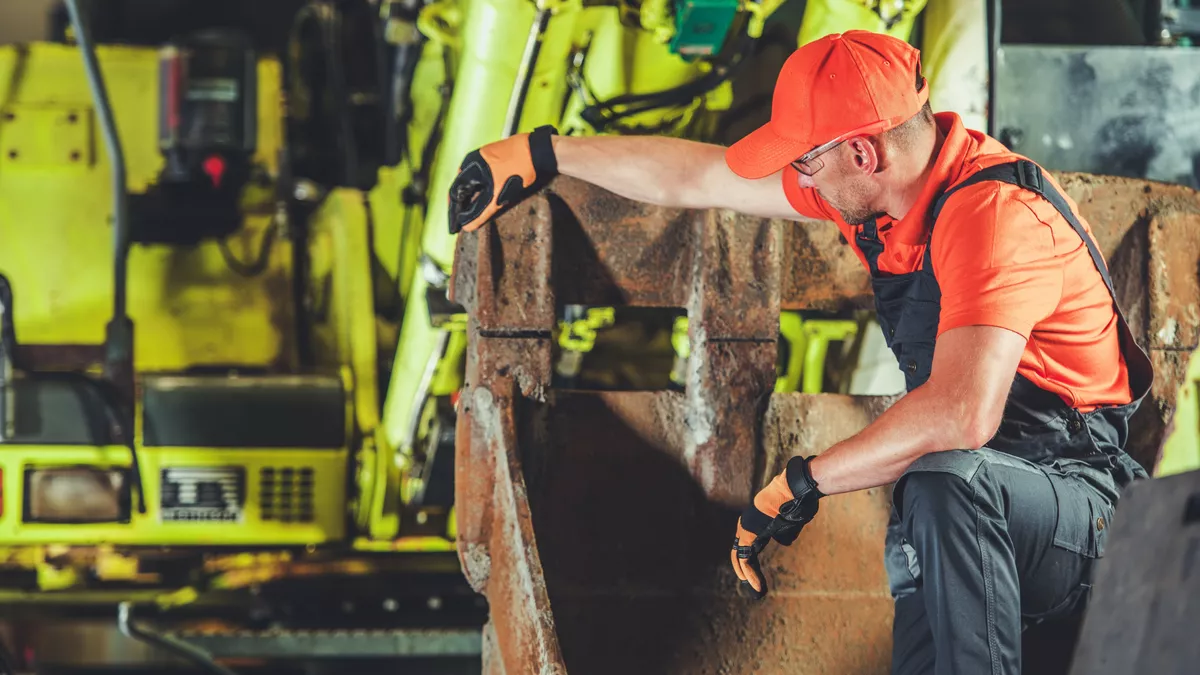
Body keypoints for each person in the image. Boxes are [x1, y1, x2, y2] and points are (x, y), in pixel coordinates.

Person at [446, 30, 1153, 675]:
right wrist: (546, 152)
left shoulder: (994, 217)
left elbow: (962, 414)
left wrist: (799, 480)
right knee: (930, 501)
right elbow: (698, 177)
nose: (800, 181)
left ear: (862, 152)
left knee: (944, 484)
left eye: (805, 161)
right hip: (978, 511)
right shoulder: (882, 191)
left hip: (1086, 518)